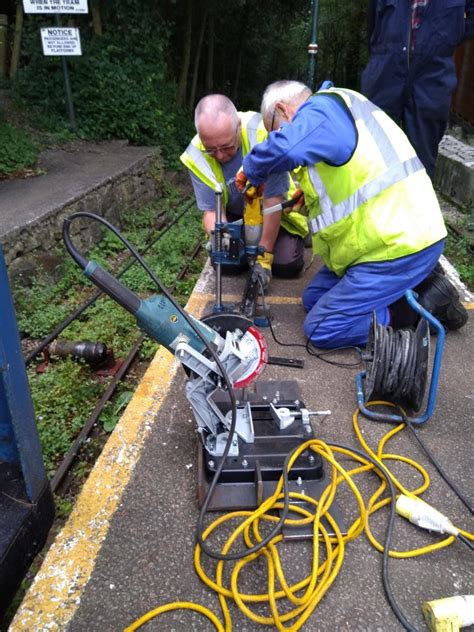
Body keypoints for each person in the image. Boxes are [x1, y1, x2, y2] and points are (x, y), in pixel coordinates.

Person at [237, 80, 468, 349]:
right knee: (312, 298)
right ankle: (416, 287)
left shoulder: (320, 110)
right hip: (388, 239)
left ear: (282, 109)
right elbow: (356, 180)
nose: (276, 135)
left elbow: (286, 147)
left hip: (398, 246)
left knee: (322, 329)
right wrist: (312, 199)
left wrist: (250, 169)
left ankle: (422, 309)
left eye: (274, 129)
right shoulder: (338, 111)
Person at [180, 94, 308, 289]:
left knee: (286, 265)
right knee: (227, 262)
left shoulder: (264, 133)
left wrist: (264, 258)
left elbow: (273, 199)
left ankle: (295, 239)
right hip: (236, 215)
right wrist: (220, 236)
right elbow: (211, 210)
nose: (220, 156)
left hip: (276, 211)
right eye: (211, 150)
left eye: (227, 147)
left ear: (238, 127)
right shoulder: (195, 155)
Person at [361, 0, 474, 180]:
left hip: (433, 81)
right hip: (384, 75)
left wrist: (449, 37)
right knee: (372, 158)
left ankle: (414, 207)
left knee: (421, 166)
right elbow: (373, 24)